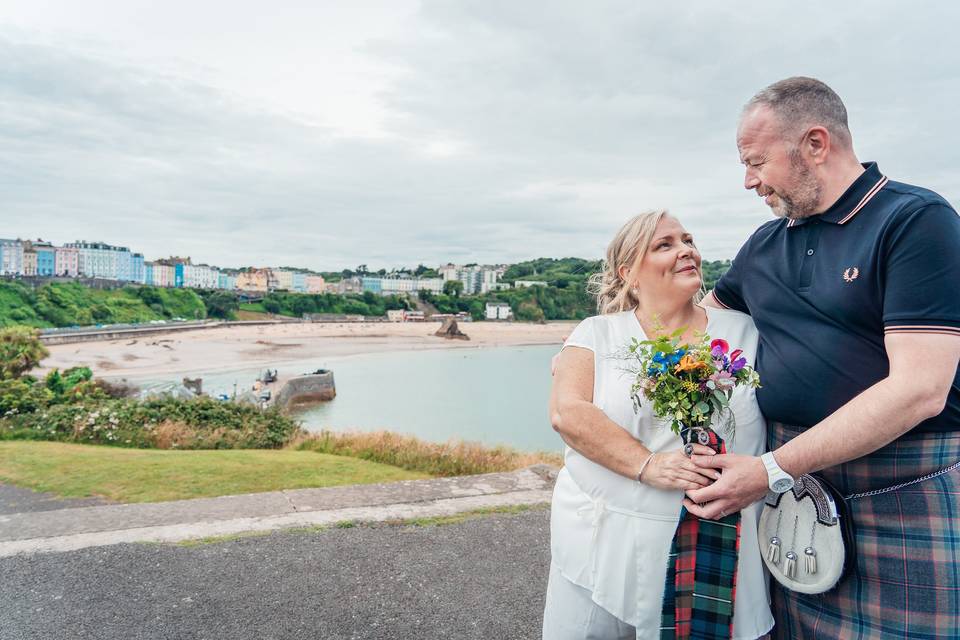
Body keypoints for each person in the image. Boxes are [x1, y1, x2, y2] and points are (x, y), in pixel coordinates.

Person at [688, 77, 960, 638]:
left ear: (815, 143)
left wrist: (769, 471)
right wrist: (589, 347)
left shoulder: (915, 220)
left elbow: (920, 389)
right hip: (792, 492)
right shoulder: (763, 244)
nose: (748, 181)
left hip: (904, 483)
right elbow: (694, 322)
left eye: (756, 162)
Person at [544, 210, 774, 639]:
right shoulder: (596, 334)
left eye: (688, 240)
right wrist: (648, 464)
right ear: (628, 272)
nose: (686, 250)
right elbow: (567, 412)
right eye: (664, 244)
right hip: (605, 541)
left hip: (720, 541)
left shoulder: (746, 333)